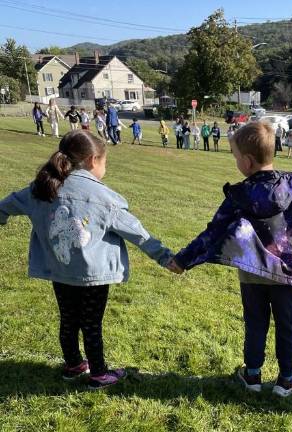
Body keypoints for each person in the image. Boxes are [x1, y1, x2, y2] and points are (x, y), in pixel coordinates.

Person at [166, 121, 292, 397]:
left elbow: (213, 232)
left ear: (247, 162)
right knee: (287, 325)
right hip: (290, 272)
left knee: (255, 322)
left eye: (236, 157)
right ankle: (286, 380)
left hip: (253, 273)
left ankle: (252, 375)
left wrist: (183, 259)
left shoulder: (240, 195)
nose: (236, 162)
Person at [0, 130, 173, 389]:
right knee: (91, 324)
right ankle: (99, 374)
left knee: (68, 319)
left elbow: (6, 206)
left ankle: (73, 365)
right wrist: (166, 258)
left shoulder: (41, 188)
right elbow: (138, 232)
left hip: (60, 271)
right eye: (105, 162)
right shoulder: (103, 197)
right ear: (93, 160)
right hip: (92, 277)